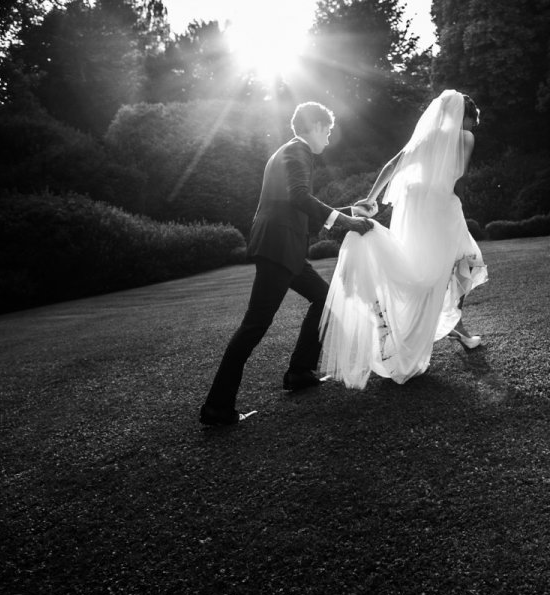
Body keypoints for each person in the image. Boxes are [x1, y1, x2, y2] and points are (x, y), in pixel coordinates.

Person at [199, 102, 373, 426]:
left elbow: (297, 203)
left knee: (325, 299)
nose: (329, 139)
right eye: (328, 131)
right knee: (254, 326)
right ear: (315, 126)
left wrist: (351, 208)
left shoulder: (289, 152)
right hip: (279, 248)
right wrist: (347, 222)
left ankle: (299, 372)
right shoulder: (299, 151)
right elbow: (298, 197)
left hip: (285, 248)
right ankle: (217, 407)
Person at [318, 90, 488, 389]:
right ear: (462, 116)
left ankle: (454, 328)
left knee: (429, 271)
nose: (473, 126)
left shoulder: (424, 139)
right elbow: (458, 179)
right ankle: (447, 327)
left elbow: (391, 166)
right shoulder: (465, 139)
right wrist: (459, 207)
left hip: (417, 213)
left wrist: (372, 198)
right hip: (442, 212)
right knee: (457, 267)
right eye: (471, 120)